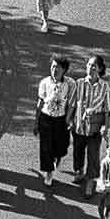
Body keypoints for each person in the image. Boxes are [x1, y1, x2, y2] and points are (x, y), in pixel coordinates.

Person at [69, 55, 110, 199]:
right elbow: (71, 103)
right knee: (78, 151)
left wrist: (106, 128)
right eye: (88, 65)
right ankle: (79, 171)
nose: (90, 68)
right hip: (79, 126)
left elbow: (108, 109)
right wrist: (68, 120)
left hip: (95, 128)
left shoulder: (104, 86)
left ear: (100, 69)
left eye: (94, 66)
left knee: (93, 154)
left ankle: (90, 182)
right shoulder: (79, 83)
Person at [35, 57, 73, 186]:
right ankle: (49, 172)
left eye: (58, 67)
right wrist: (36, 121)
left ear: (64, 70)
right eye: (53, 67)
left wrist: (69, 119)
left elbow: (72, 103)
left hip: (61, 120)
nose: (54, 70)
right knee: (46, 147)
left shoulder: (69, 84)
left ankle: (58, 158)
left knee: (61, 145)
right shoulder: (44, 82)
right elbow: (40, 102)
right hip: (46, 118)